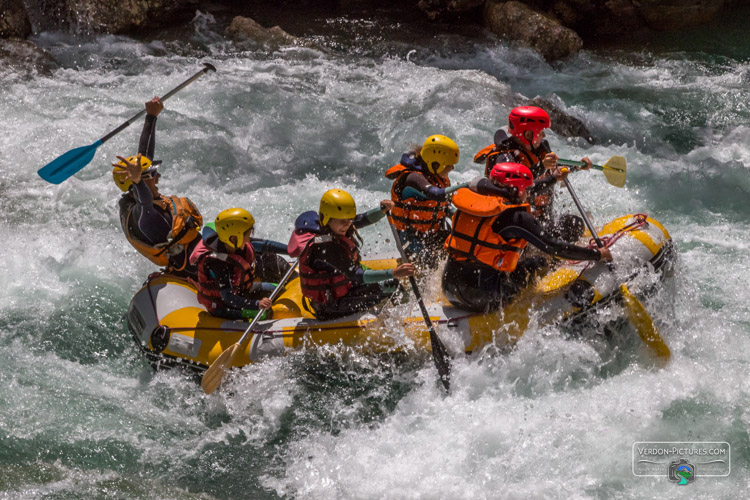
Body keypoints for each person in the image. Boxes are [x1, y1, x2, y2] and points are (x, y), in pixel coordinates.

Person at [442, 162, 612, 312]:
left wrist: (553, 178)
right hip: (481, 297)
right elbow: (555, 247)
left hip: (449, 287)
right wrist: (597, 254)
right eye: (527, 190)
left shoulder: (474, 201)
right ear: (516, 190)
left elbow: (517, 190)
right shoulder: (517, 217)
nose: (529, 195)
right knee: (538, 262)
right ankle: (527, 307)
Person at [288, 189, 415, 320]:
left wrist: (381, 210)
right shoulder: (325, 247)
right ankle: (408, 320)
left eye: (349, 220)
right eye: (342, 221)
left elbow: (362, 219)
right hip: (331, 307)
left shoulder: (335, 226)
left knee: (385, 282)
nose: (347, 224)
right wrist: (394, 272)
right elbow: (357, 275)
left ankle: (395, 313)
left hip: (344, 291)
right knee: (392, 284)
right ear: (327, 218)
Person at [112, 97, 203, 277]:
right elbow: (144, 201)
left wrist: (151, 116)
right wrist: (138, 181)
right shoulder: (144, 216)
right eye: (153, 175)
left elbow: (144, 157)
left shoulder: (143, 200)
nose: (158, 176)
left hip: (201, 255)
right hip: (196, 271)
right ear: (138, 182)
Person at [473, 106, 591, 242]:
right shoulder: (505, 160)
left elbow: (556, 168)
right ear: (528, 135)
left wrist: (578, 166)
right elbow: (522, 190)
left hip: (542, 221)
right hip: (517, 228)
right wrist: (547, 172)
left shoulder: (540, 148)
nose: (544, 135)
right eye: (541, 132)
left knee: (575, 225)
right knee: (535, 260)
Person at [385, 134, 468, 268]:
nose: (452, 168)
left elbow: (443, 207)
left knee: (463, 247)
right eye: (449, 164)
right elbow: (435, 194)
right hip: (411, 239)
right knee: (434, 261)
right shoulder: (412, 178)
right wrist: (467, 186)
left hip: (431, 234)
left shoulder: (438, 177)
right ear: (435, 164)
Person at [189, 208, 277, 320]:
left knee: (278, 288)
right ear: (234, 237)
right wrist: (257, 304)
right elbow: (228, 297)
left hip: (243, 290)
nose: (250, 238)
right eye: (248, 234)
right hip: (222, 306)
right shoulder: (217, 262)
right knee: (265, 314)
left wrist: (291, 249)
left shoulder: (236, 244)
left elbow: (266, 245)